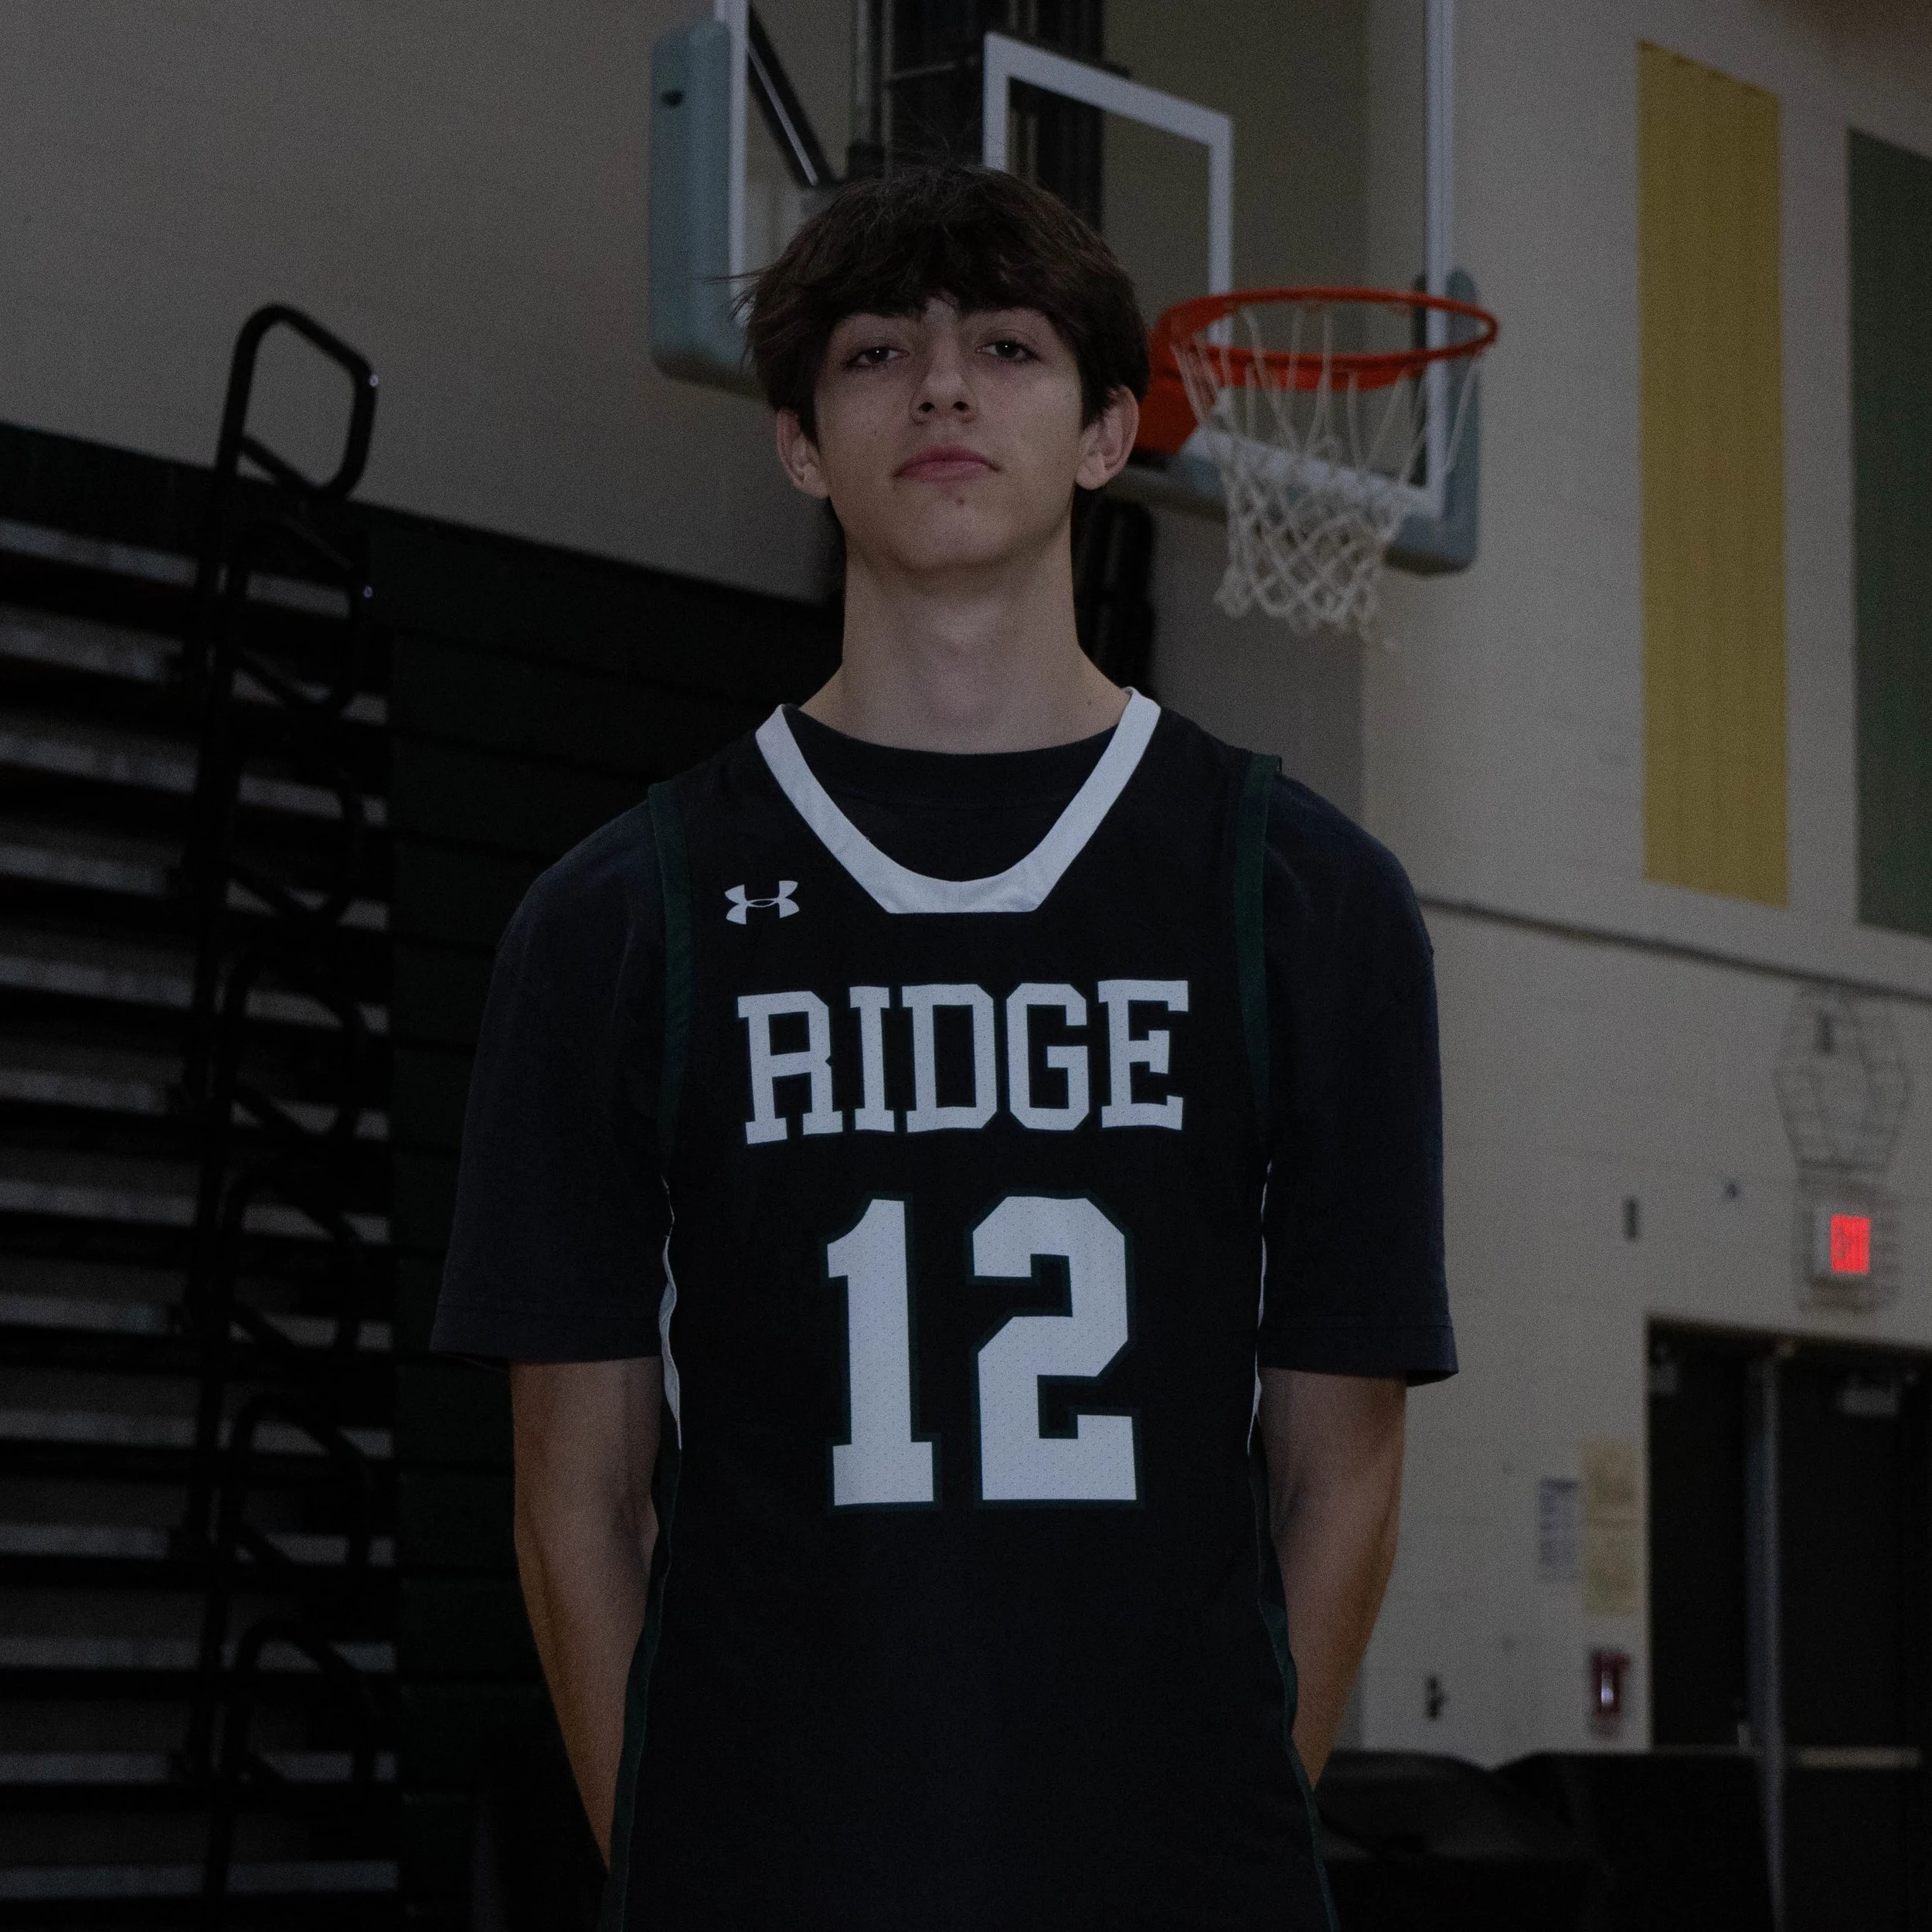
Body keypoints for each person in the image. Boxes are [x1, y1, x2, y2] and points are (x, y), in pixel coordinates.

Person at [434, 162, 1454, 1931]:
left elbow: (1336, 1462)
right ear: (798, 448)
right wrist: (673, 1858)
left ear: (1105, 430)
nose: (940, 388)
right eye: (869, 354)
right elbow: (573, 1496)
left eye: (1005, 345)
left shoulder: (1300, 897)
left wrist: (1213, 1830)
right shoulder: (618, 919)